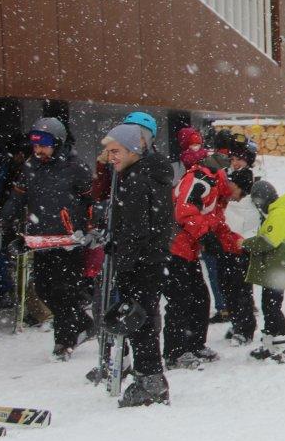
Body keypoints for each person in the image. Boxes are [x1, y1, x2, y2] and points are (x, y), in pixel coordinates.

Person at [0, 117, 94, 361]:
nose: (39, 150)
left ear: (58, 143)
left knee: (65, 290)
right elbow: (18, 197)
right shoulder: (31, 166)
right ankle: (83, 323)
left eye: (44, 144)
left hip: (69, 240)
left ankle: (64, 341)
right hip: (41, 240)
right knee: (44, 288)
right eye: (35, 145)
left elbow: (90, 200)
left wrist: (90, 226)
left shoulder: (75, 167)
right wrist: (4, 219)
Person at [99, 120, 173, 407]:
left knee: (138, 319)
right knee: (143, 319)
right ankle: (149, 376)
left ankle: (150, 379)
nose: (111, 157)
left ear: (133, 150)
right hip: (150, 259)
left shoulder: (136, 180)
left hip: (141, 262)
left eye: (116, 151)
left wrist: (122, 256)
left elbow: (137, 227)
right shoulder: (148, 174)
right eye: (109, 151)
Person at [164, 145, 240, 369]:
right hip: (175, 249)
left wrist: (235, 245)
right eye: (239, 191)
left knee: (199, 298)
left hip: (189, 251)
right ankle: (175, 352)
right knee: (180, 301)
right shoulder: (201, 180)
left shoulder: (215, 192)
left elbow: (216, 224)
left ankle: (194, 344)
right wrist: (206, 236)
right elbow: (184, 211)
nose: (238, 198)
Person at [242, 180, 285, 364]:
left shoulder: (279, 214)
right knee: (269, 304)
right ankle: (270, 343)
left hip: (277, 269)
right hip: (277, 267)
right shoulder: (279, 211)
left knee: (272, 306)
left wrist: (244, 243)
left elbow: (267, 242)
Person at [220, 167, 259, 345]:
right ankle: (237, 323)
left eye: (232, 184)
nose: (228, 187)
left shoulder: (249, 207)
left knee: (241, 291)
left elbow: (246, 231)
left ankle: (245, 328)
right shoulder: (229, 203)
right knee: (229, 289)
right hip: (227, 253)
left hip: (241, 254)